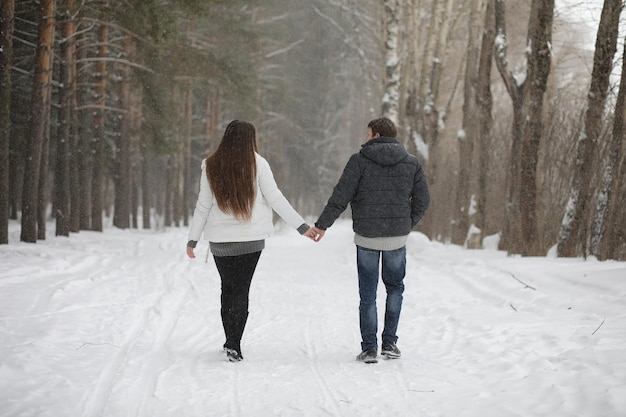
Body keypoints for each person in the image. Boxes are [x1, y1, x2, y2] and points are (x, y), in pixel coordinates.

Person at [305, 117, 430, 364]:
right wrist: (405, 224)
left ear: (375, 135)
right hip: (396, 238)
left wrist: (322, 225)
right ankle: (390, 344)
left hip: (367, 237)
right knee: (395, 288)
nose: (365, 137)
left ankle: (370, 348)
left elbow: (340, 197)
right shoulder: (411, 164)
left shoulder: (359, 162)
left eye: (368, 133)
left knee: (368, 294)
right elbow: (423, 201)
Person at [187, 120, 313, 362]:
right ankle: (235, 343)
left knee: (228, 289)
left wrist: (193, 239)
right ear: (250, 139)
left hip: (221, 242)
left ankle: (230, 340)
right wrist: (301, 226)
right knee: (241, 289)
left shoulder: (211, 164)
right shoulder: (258, 163)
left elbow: (203, 205)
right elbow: (275, 198)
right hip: (251, 241)